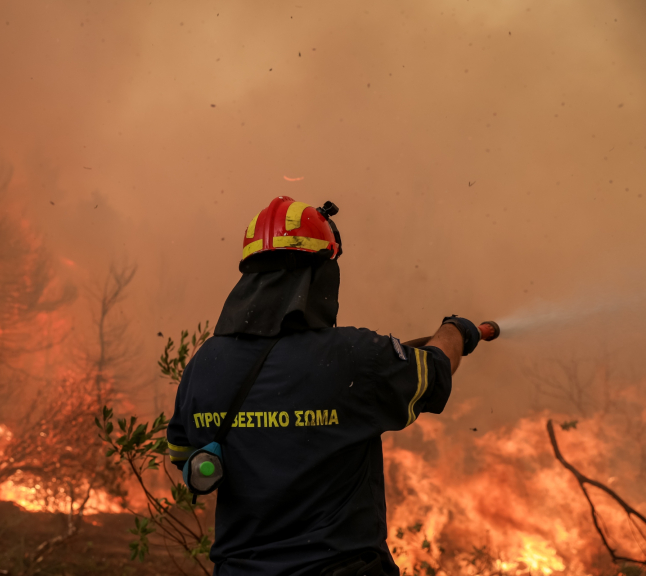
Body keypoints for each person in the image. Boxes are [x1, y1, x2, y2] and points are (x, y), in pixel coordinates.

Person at [166, 196, 480, 576]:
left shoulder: (205, 364)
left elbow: (186, 458)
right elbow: (435, 373)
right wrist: (455, 330)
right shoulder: (352, 356)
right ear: (319, 277)